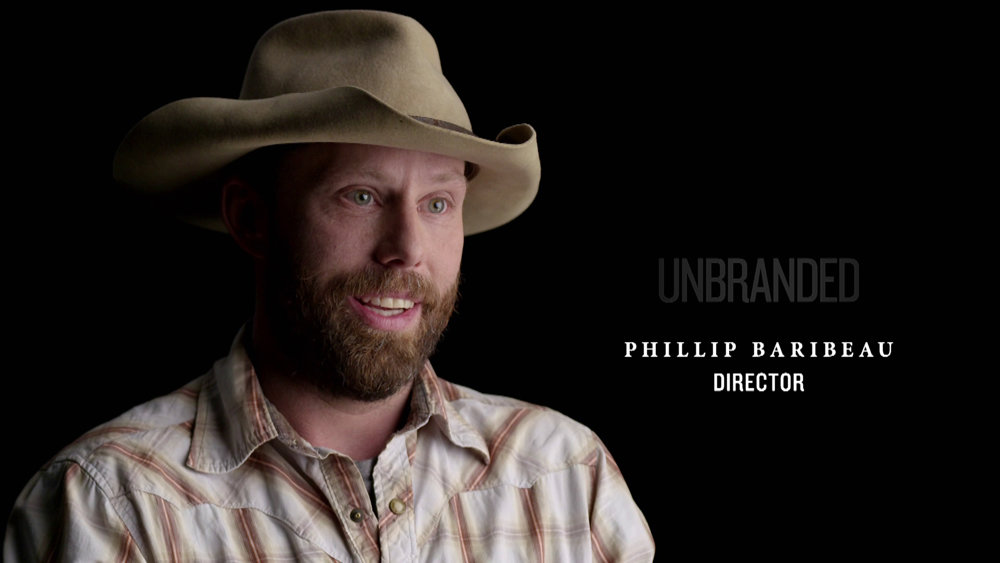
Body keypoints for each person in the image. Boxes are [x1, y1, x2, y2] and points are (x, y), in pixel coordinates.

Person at [5, 10, 654, 561]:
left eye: (437, 203)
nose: (407, 250)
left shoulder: (566, 477)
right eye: (361, 195)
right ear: (252, 218)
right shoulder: (115, 503)